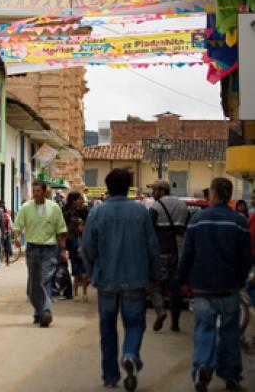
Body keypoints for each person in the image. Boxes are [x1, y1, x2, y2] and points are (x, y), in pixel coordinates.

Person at [82, 168, 161, 391]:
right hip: (135, 279)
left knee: (107, 328)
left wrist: (91, 271)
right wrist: (155, 275)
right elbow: (152, 246)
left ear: (107, 187)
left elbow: (87, 247)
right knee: (135, 323)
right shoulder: (141, 212)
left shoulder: (97, 213)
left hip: (106, 280)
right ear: (129, 187)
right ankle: (130, 354)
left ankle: (110, 376)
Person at [178, 177, 252, 392]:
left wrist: (182, 280)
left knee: (204, 329)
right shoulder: (239, 222)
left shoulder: (198, 220)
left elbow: (187, 254)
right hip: (229, 287)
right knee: (230, 332)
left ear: (213, 193)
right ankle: (231, 376)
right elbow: (246, 258)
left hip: (202, 287)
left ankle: (203, 366)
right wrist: (240, 281)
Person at [14, 178, 67, 328]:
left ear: (44, 192)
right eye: (34, 191)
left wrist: (63, 250)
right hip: (32, 249)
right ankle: (39, 311)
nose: (35, 194)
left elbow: (61, 230)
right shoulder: (25, 207)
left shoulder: (54, 208)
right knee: (33, 286)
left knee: (45, 280)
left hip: (49, 249)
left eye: (38, 191)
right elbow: (17, 226)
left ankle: (46, 311)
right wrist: (17, 238)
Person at [147, 179, 188, 332]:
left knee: (154, 283)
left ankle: (160, 310)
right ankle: (175, 323)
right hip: (178, 252)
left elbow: (149, 232)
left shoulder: (156, 207)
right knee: (175, 288)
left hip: (161, 251)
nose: (153, 193)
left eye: (154, 190)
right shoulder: (182, 205)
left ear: (161, 190)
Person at [0, 200, 13, 265]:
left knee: (0, 246)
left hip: (1, 232)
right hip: (6, 232)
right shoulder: (7, 213)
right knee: (7, 246)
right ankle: (7, 260)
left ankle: (0, 259)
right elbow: (10, 223)